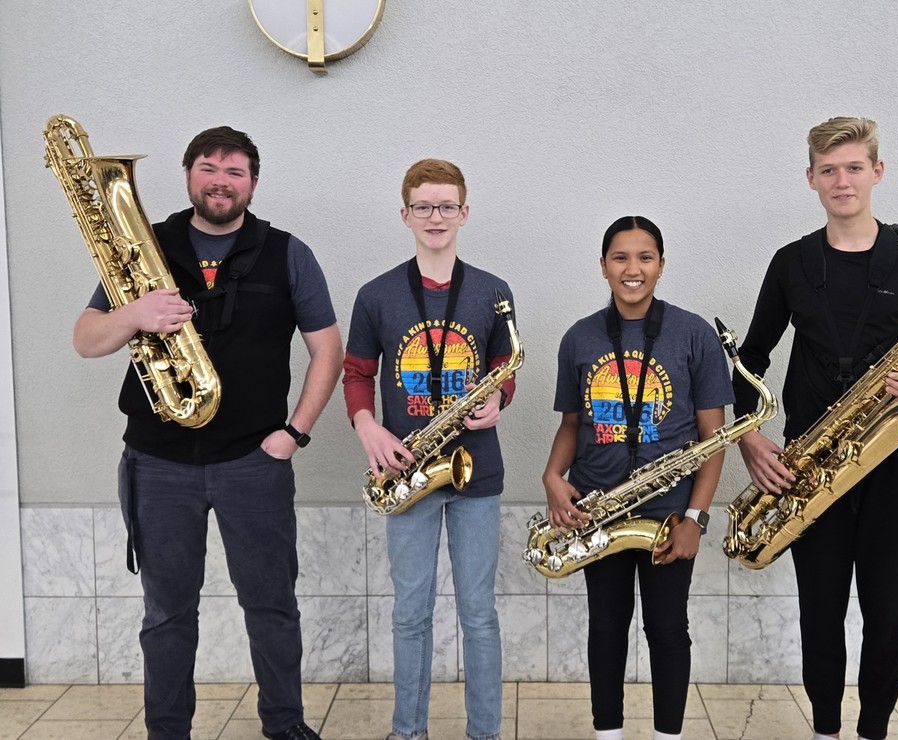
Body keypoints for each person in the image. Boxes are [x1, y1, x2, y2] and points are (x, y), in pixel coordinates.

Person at [72, 126, 343, 740]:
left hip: (254, 460)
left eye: (236, 171)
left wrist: (293, 435)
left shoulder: (288, 253)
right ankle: (168, 733)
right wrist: (134, 313)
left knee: (271, 607)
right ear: (190, 174)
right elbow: (86, 341)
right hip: (159, 463)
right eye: (208, 167)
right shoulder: (144, 247)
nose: (221, 180)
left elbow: (328, 350)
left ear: (252, 182)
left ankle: (284, 726)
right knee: (167, 613)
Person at [733, 117, 898, 740]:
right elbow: (749, 360)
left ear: (878, 172)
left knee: (889, 612)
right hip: (813, 463)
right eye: (829, 170)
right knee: (820, 611)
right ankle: (825, 729)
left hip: (896, 459)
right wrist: (749, 435)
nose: (843, 180)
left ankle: (873, 729)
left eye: (855, 167)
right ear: (811, 178)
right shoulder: (791, 263)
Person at [342, 159, 516, 740]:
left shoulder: (493, 293)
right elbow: (357, 373)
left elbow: (503, 368)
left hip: (476, 474)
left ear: (465, 213)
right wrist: (367, 426)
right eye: (423, 206)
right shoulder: (376, 295)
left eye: (446, 206)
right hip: (409, 471)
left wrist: (500, 401)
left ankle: (485, 733)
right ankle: (406, 732)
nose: (435, 217)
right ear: (405, 214)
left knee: (479, 614)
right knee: (410, 614)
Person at [542, 216, 734, 740]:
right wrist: (552, 475)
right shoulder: (579, 337)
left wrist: (694, 517)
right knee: (605, 629)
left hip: (668, 513)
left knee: (668, 630)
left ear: (662, 265)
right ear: (603, 267)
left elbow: (714, 441)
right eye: (620, 258)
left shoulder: (693, 333)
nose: (633, 269)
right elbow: (571, 425)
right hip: (597, 511)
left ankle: (667, 737)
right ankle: (609, 735)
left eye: (645, 257)